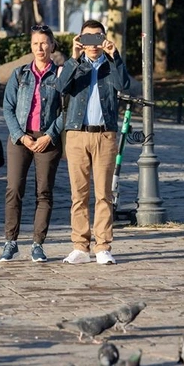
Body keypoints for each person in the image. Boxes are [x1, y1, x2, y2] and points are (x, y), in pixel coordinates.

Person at [56, 20, 131, 266]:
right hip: (77, 135)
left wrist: (115, 55)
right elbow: (61, 87)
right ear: (80, 39)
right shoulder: (75, 65)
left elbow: (124, 86)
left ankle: (103, 246)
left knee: (104, 194)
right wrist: (74, 57)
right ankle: (79, 245)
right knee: (79, 194)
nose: (93, 44)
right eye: (88, 38)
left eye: (97, 38)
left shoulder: (111, 65)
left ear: (104, 39)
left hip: (105, 135)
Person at [0, 25, 64, 263]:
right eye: (36, 43)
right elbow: (8, 107)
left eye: (45, 43)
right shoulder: (20, 74)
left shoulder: (60, 74)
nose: (40, 48)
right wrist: (20, 135)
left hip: (48, 138)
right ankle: (10, 241)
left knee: (43, 191)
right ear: (31, 46)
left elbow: (66, 109)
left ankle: (38, 243)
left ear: (52, 44)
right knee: (14, 189)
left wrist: (49, 135)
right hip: (20, 138)